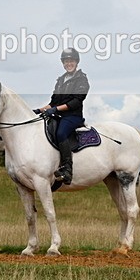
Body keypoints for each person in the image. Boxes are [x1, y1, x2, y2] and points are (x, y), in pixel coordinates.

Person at [34, 48, 90, 185]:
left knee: (60, 133)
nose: (68, 64)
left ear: (76, 62)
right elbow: (53, 102)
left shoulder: (82, 79)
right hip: (59, 115)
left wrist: (55, 109)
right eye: (66, 61)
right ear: (63, 63)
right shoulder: (61, 80)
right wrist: (40, 110)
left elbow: (76, 102)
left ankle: (67, 169)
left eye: (71, 61)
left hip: (73, 117)